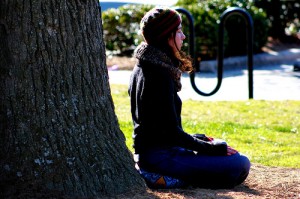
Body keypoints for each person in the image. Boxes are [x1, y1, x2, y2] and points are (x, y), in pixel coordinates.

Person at [128, 7, 250, 189]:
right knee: (240, 163)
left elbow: (162, 128)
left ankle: (173, 176)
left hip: (158, 151)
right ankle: (160, 177)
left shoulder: (145, 65)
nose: (183, 37)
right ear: (166, 36)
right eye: (178, 31)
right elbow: (170, 134)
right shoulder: (157, 75)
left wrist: (201, 139)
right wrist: (213, 149)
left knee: (225, 150)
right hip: (159, 157)